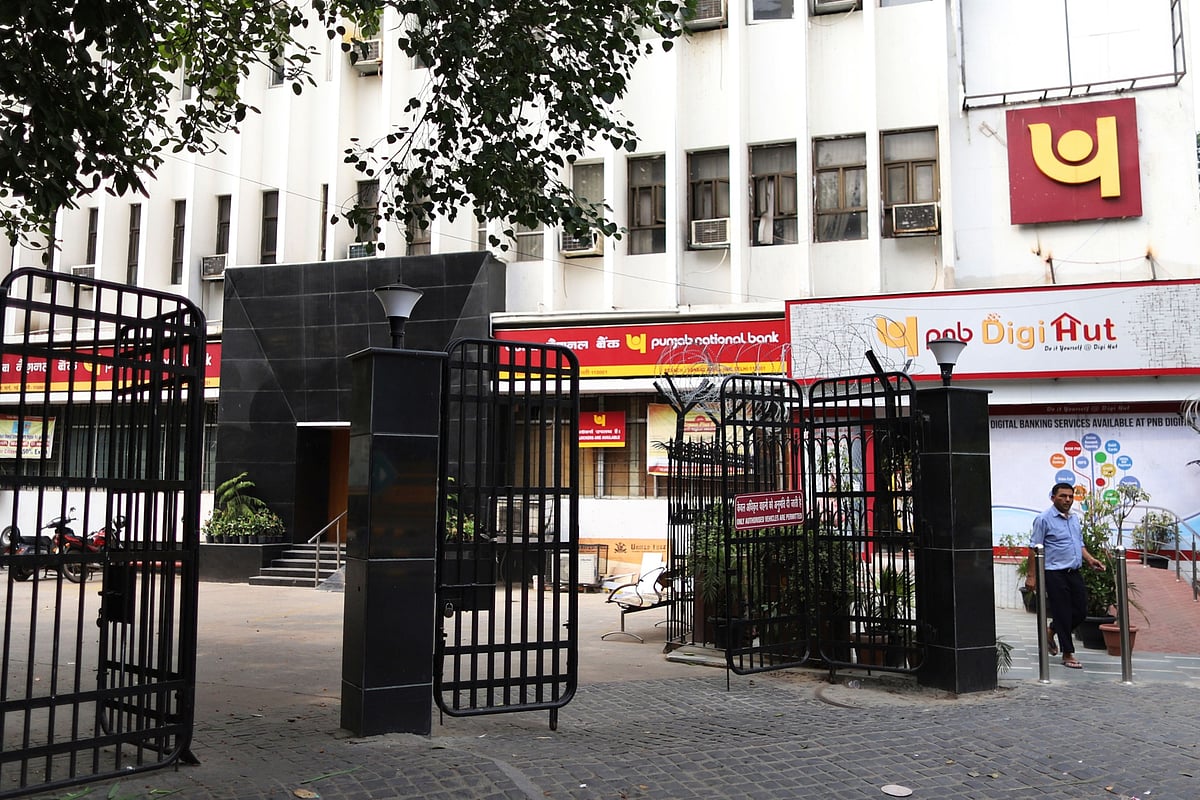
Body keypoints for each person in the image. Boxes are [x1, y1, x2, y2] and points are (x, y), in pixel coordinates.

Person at [1025, 482, 1105, 669]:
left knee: (1081, 612)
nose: (1067, 499)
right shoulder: (1043, 519)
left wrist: (1090, 560)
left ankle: (1051, 630)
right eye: (1063, 496)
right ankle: (1067, 654)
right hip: (1054, 573)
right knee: (1062, 613)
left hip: (1074, 571)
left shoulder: (1074, 519)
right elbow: (1033, 548)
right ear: (1053, 498)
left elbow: (1079, 544)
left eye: (1070, 496)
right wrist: (1031, 576)